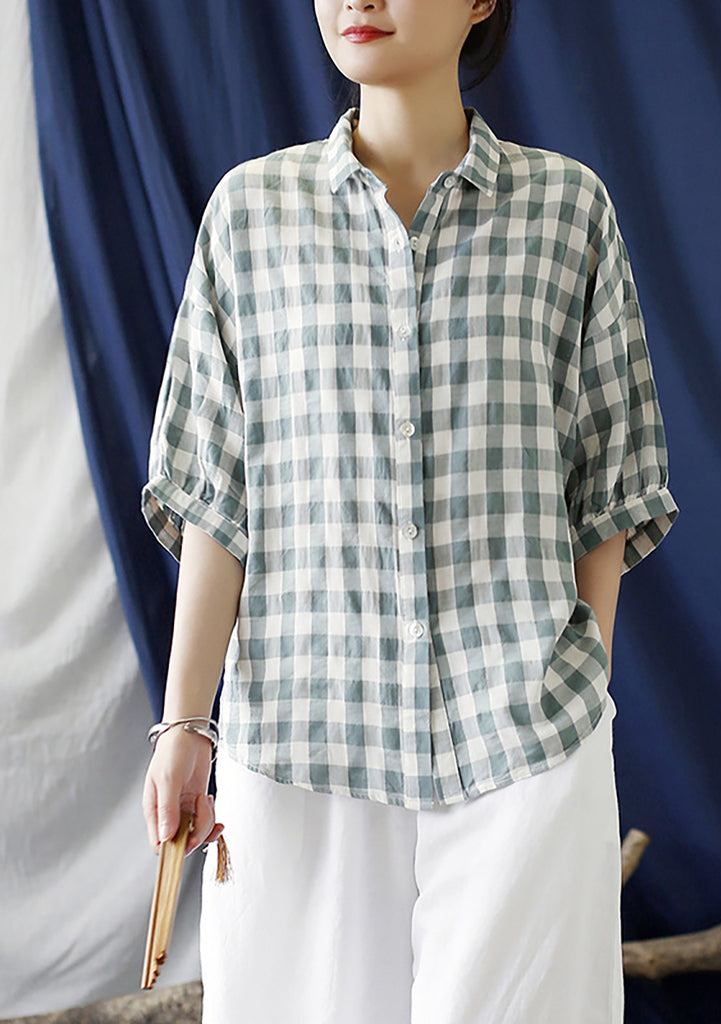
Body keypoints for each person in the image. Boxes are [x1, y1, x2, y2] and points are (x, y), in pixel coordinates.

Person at [141, 1, 680, 1021]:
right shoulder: (250, 216)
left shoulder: (568, 211)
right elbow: (217, 494)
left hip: (523, 745)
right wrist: (184, 724)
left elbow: (608, 487)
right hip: (299, 742)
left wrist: (580, 683)